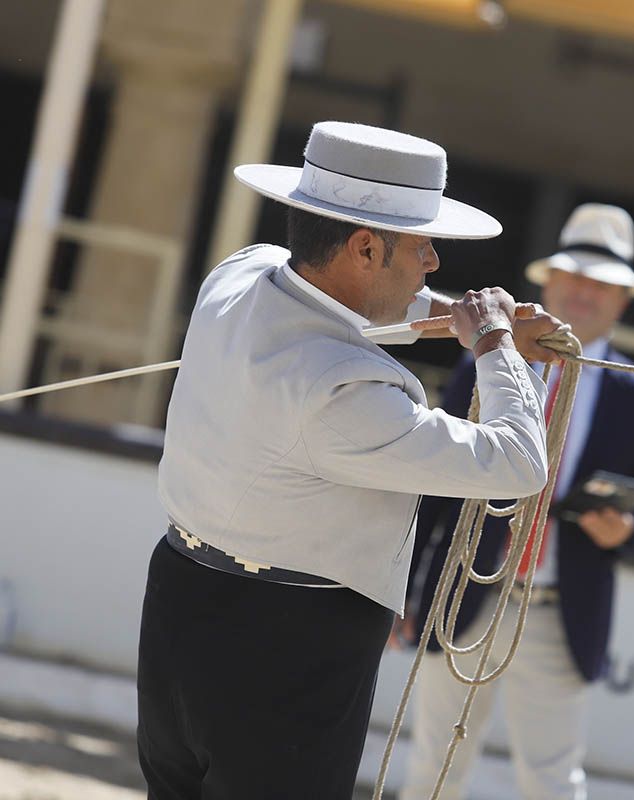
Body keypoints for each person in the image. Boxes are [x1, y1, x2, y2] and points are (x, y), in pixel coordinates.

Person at [138, 121, 565, 799]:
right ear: (365, 246)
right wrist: (495, 350)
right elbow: (518, 461)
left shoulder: (242, 272)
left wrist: (465, 318)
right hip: (286, 642)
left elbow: (350, 307)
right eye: (422, 246)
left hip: (181, 599)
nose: (432, 261)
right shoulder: (344, 389)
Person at [400, 203, 634, 800]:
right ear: (547, 282)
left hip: (558, 607)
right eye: (574, 277)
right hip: (466, 589)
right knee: (433, 767)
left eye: (601, 285)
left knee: (552, 778)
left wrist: (626, 528)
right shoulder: (487, 360)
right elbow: (435, 481)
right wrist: (405, 587)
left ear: (622, 301)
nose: (584, 293)